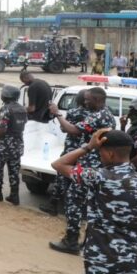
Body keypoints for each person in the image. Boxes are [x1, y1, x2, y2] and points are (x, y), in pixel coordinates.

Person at [51, 129, 137, 273]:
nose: (100, 156)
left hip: (101, 259)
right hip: (134, 261)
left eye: (101, 152)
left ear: (110, 154)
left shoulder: (98, 177)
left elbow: (58, 164)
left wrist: (88, 146)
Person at [48, 86, 116, 254]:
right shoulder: (107, 114)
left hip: (88, 165)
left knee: (73, 201)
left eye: (88, 99)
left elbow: (72, 130)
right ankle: (87, 242)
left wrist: (57, 113)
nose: (85, 102)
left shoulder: (98, 116)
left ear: (97, 100)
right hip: (97, 164)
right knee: (91, 205)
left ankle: (71, 241)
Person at [39, 89, 88, 215]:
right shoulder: (95, 115)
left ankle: (53, 204)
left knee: (62, 177)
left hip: (71, 149)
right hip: (86, 152)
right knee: (80, 178)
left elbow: (64, 128)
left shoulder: (73, 112)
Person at [0, 85, 28, 205]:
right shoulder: (22, 109)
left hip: (5, 145)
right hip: (17, 145)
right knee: (14, 171)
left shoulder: (6, 109)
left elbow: (2, 129)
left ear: (7, 95)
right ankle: (14, 195)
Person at [119, 96, 137, 172]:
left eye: (133, 110)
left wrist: (124, 170)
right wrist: (123, 127)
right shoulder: (136, 126)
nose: (129, 113)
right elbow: (125, 142)